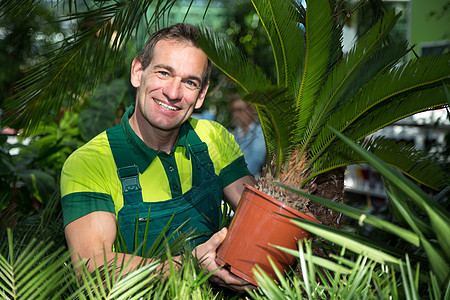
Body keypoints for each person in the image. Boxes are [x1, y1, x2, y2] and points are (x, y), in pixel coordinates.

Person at [60, 23, 256, 292]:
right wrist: (191, 263)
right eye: (164, 73)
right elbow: (93, 268)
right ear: (138, 71)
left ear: (200, 95)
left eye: (190, 82)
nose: (173, 93)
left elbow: (255, 215)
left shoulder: (212, 138)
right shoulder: (90, 162)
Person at [229, 94, 266, 179]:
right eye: (233, 110)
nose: (236, 114)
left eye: (239, 110)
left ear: (251, 110)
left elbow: (255, 161)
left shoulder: (260, 132)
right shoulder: (233, 133)